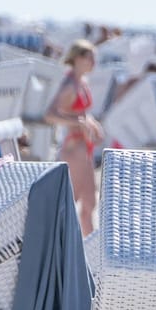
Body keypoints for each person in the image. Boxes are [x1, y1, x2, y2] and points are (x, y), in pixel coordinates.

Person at [46, 39, 103, 235]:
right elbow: (50, 114)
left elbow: (82, 112)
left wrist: (91, 123)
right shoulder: (69, 84)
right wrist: (78, 122)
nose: (93, 62)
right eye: (90, 58)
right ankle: (78, 250)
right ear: (78, 58)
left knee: (87, 203)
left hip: (83, 147)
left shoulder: (81, 82)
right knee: (79, 202)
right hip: (74, 148)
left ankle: (85, 252)